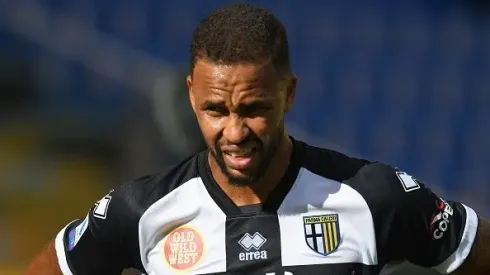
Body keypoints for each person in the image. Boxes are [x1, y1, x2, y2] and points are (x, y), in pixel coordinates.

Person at [26, 3, 489, 275]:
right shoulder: (139, 211)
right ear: (191, 96)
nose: (234, 132)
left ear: (288, 93)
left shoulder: (375, 196)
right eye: (214, 110)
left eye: (253, 109)